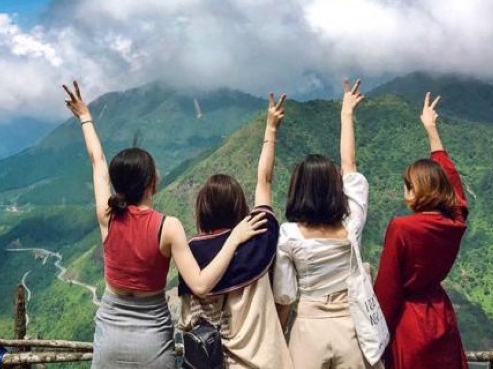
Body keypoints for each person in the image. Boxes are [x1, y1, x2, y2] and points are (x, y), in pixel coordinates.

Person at [62, 81, 267, 369]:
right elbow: (200, 285)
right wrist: (234, 239)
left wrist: (85, 117)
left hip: (109, 335)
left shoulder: (107, 216)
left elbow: (97, 162)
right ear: (150, 183)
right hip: (152, 339)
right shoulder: (168, 227)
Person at [178, 93, 295, 369]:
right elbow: (264, 181)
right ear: (240, 206)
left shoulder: (193, 253)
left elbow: (186, 320)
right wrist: (270, 129)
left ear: (202, 211)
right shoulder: (258, 237)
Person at [273, 79, 382, 368]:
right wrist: (346, 114)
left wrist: (277, 341)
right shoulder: (352, 225)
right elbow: (350, 166)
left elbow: (284, 295)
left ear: (297, 190)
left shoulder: (289, 235)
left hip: (308, 333)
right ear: (336, 189)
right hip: (353, 330)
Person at [373, 93, 470, 369]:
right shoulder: (454, 224)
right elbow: (454, 186)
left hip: (410, 324)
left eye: (408, 186)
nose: (405, 193)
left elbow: (387, 291)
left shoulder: (401, 228)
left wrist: (377, 338)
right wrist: (431, 131)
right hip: (441, 318)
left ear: (416, 192)